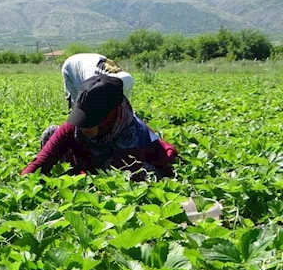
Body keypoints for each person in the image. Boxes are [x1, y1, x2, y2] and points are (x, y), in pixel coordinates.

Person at [22, 75, 177, 180]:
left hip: (126, 167)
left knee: (124, 173)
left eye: (91, 120)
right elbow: (41, 162)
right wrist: (24, 183)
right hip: (88, 164)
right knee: (51, 134)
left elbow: (110, 181)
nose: (83, 126)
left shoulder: (132, 136)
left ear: (110, 116)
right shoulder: (75, 126)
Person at [62, 53, 134, 109]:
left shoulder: (125, 79)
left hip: (92, 61)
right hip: (71, 66)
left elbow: (123, 103)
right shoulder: (93, 80)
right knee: (79, 103)